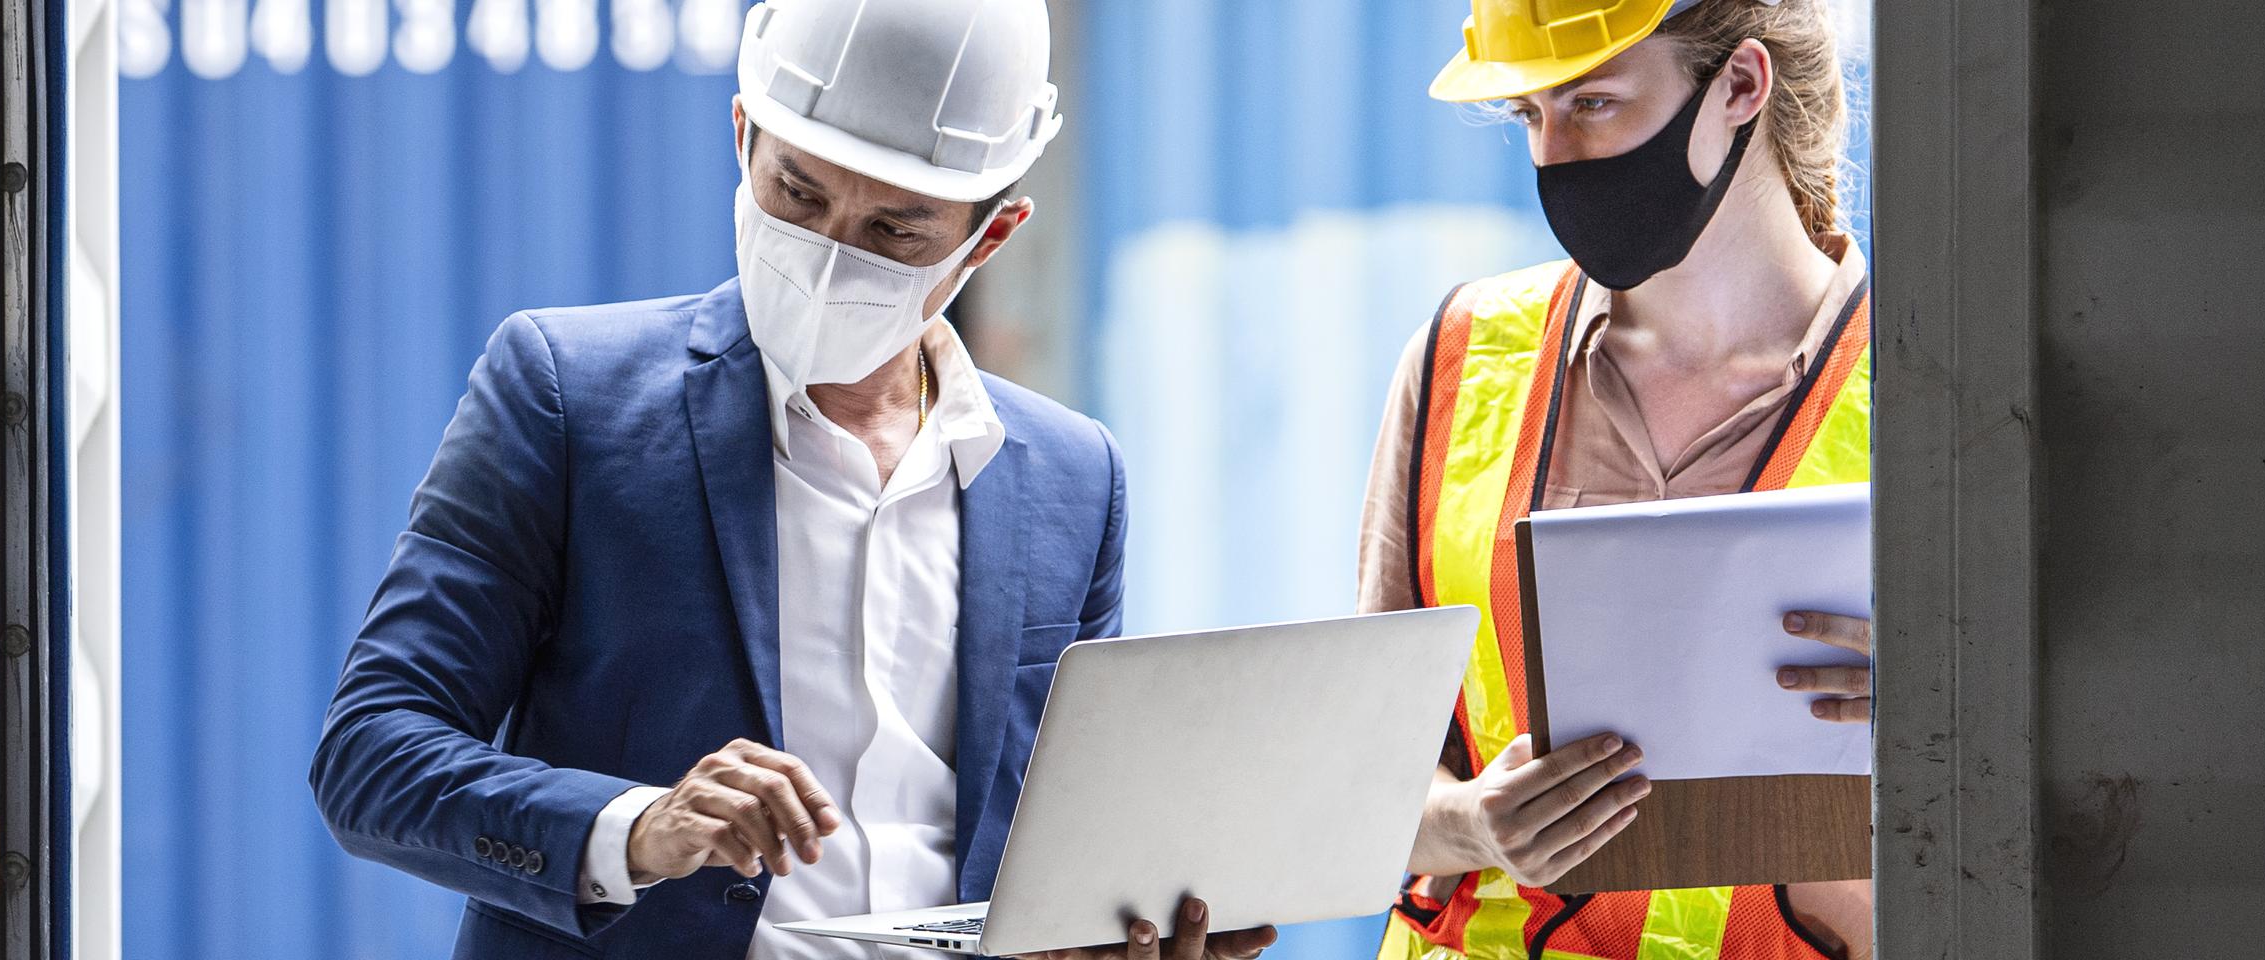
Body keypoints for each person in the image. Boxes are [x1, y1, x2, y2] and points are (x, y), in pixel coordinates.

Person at [312, 1, 1271, 958]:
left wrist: (1126, 924)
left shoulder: (1074, 477)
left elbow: (1058, 838)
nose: (827, 255)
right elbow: (371, 756)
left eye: (895, 231)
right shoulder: (568, 396)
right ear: (743, 134)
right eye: (799, 195)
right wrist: (638, 830)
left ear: (993, 235)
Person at [1359, 0, 1879, 957]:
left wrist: (1951, 720)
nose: (1553, 155)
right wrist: (1475, 823)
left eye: (1591, 103)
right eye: (1530, 115)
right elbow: (1359, 776)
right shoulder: (1462, 360)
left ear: (1739, 86)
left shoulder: (1925, 395)